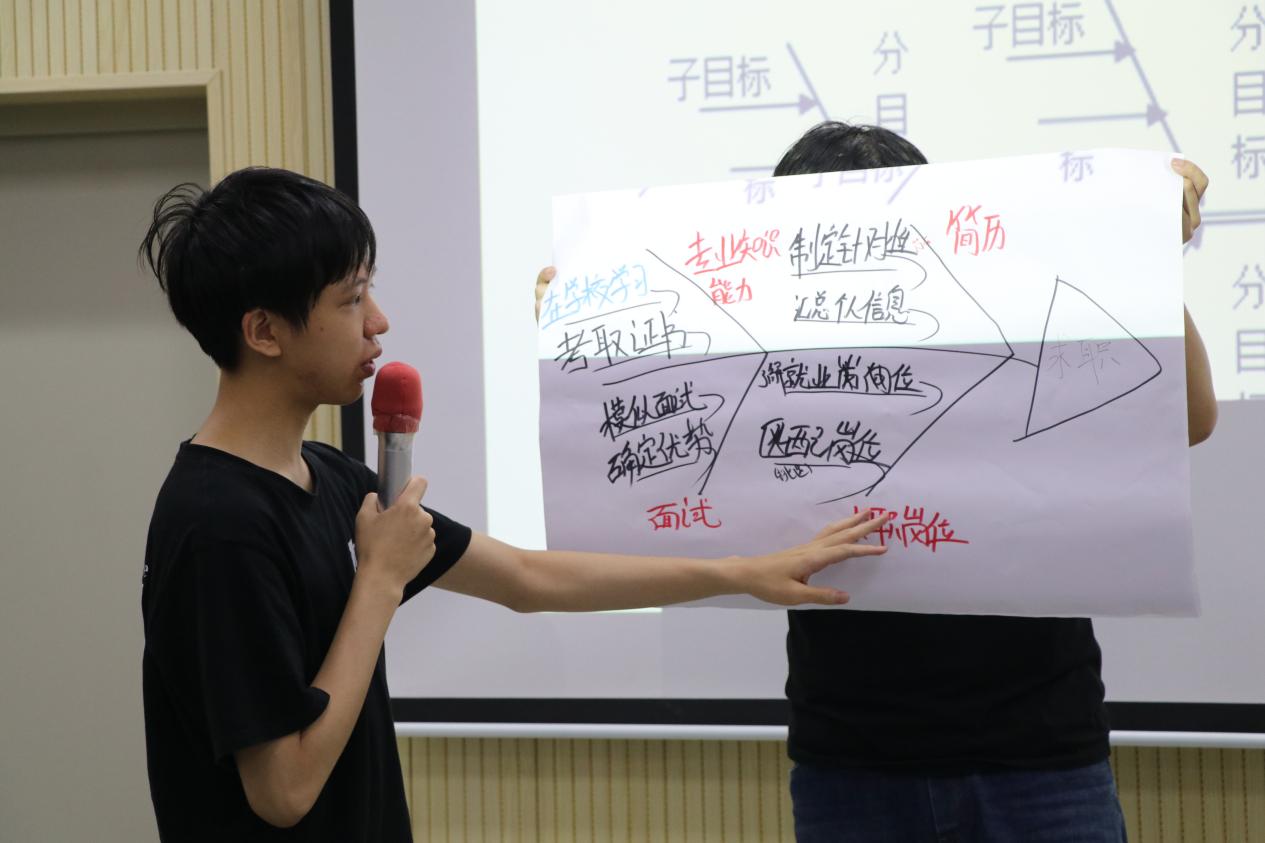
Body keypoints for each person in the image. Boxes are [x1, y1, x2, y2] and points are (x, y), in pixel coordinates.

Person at [138, 166, 892, 842]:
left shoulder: (330, 478)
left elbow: (528, 578)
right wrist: (378, 582)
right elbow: (284, 790)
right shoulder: (218, 523)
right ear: (264, 331)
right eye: (352, 298)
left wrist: (742, 572)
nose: (378, 322)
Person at [534, 122, 1217, 842]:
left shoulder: (1005, 324)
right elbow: (637, 475)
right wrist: (583, 330)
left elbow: (1190, 417)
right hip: (852, 759)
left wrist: (1141, 265)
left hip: (1041, 748)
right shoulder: (749, 357)